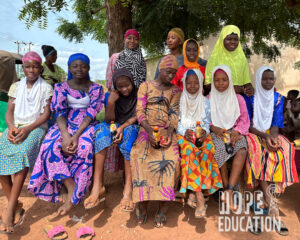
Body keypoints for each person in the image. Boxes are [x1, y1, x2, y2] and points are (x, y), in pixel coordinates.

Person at [28, 53, 104, 215]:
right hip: (65, 124)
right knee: (49, 146)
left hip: (86, 125)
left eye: (83, 66)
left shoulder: (96, 88)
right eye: (75, 66)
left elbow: (90, 114)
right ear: (69, 68)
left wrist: (75, 137)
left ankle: (77, 193)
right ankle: (71, 186)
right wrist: (66, 136)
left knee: (84, 147)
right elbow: (60, 113)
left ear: (88, 68)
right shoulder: (61, 87)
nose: (79, 69)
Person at [0, 51, 52, 233]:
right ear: (23, 68)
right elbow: (9, 113)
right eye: (28, 66)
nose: (31, 70)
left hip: (36, 127)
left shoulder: (46, 88)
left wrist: (28, 129)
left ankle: (9, 212)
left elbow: (46, 114)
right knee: (0, 155)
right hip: (17, 125)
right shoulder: (16, 86)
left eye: (35, 66)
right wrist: (11, 127)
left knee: (22, 155)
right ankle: (16, 206)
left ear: (40, 68)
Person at [244, 67, 299, 232]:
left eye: (271, 79)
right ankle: (271, 203)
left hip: (270, 133)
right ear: (259, 79)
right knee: (259, 152)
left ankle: (269, 196)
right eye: (264, 79)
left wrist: (273, 138)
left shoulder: (278, 98)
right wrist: (265, 137)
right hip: (254, 133)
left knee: (286, 148)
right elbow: (249, 125)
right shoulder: (251, 98)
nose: (268, 82)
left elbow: (276, 122)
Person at [131, 55, 181, 227]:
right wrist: (149, 130)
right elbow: (139, 111)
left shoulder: (175, 91)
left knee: (172, 160)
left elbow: (174, 114)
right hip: (146, 129)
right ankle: (142, 204)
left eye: (173, 73)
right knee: (140, 156)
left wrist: (168, 133)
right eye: (168, 72)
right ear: (160, 69)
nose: (171, 76)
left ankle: (163, 207)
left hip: (166, 129)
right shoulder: (145, 86)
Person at [84, 68, 139, 211]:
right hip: (114, 123)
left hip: (131, 125)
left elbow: (137, 116)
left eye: (127, 85)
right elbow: (109, 119)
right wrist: (111, 103)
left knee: (129, 137)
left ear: (132, 82)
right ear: (115, 86)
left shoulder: (138, 94)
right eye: (120, 86)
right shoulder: (111, 95)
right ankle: (97, 186)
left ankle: (128, 188)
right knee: (101, 132)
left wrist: (122, 128)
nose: (124, 89)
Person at [177, 69, 222, 218]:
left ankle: (192, 192)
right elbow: (177, 123)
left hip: (200, 132)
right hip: (184, 133)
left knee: (208, 148)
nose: (192, 86)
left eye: (196, 83)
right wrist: (185, 133)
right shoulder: (179, 100)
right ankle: (199, 196)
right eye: (188, 83)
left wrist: (203, 131)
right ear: (184, 83)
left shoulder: (205, 101)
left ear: (201, 83)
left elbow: (207, 122)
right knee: (190, 150)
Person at [105, 29, 146, 173]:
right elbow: (110, 78)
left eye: (135, 39)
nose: (132, 41)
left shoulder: (141, 59)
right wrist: (113, 96)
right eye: (129, 38)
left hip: (135, 98)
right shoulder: (117, 57)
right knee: (114, 132)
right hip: (120, 98)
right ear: (124, 39)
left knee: (131, 133)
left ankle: (129, 172)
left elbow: (143, 80)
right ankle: (120, 169)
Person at [209, 65, 250, 210]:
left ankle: (229, 191)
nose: (220, 83)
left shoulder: (238, 98)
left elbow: (244, 119)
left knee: (242, 148)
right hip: (216, 132)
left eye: (224, 80)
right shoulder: (209, 98)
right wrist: (213, 127)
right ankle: (226, 186)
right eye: (217, 80)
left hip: (234, 131)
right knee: (219, 148)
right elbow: (205, 119)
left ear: (230, 80)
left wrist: (237, 131)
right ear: (213, 82)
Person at [205, 25, 253, 95]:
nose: (233, 42)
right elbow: (207, 85)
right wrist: (229, 88)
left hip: (239, 99)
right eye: (229, 39)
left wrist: (249, 88)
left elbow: (246, 81)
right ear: (222, 39)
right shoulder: (214, 58)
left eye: (236, 39)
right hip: (220, 98)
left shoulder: (242, 58)